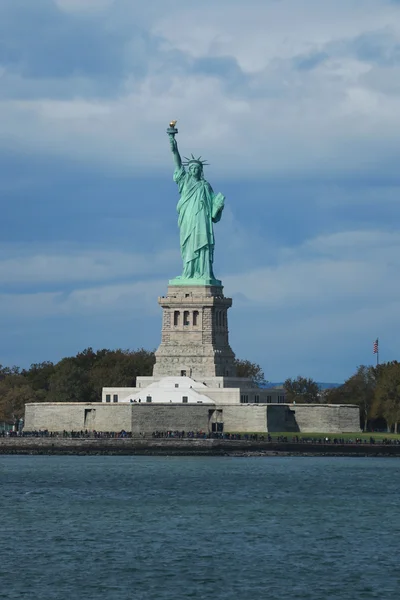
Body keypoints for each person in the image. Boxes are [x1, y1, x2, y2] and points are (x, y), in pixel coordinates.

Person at [169, 135, 225, 282]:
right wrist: (174, 147)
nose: (193, 170)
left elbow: (214, 208)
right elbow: (178, 164)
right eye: (191, 168)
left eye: (196, 168)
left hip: (202, 220)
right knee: (188, 245)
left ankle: (203, 272)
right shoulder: (185, 181)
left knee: (202, 244)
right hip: (188, 218)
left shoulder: (205, 186)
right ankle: (189, 272)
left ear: (201, 171)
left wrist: (218, 206)